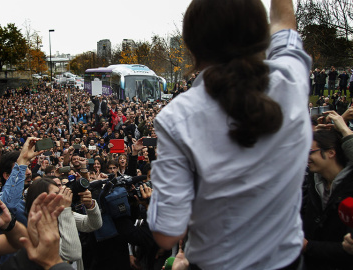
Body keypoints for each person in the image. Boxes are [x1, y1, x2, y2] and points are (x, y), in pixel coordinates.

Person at [147, 0, 311, 269]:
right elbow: (284, 24)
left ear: (192, 48)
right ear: (261, 36)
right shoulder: (292, 79)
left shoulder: (176, 118)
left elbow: (167, 234)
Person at [301, 112, 353, 270]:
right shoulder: (314, 181)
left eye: (310, 152)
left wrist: (345, 130)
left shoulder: (349, 186)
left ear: (331, 152)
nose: (306, 158)